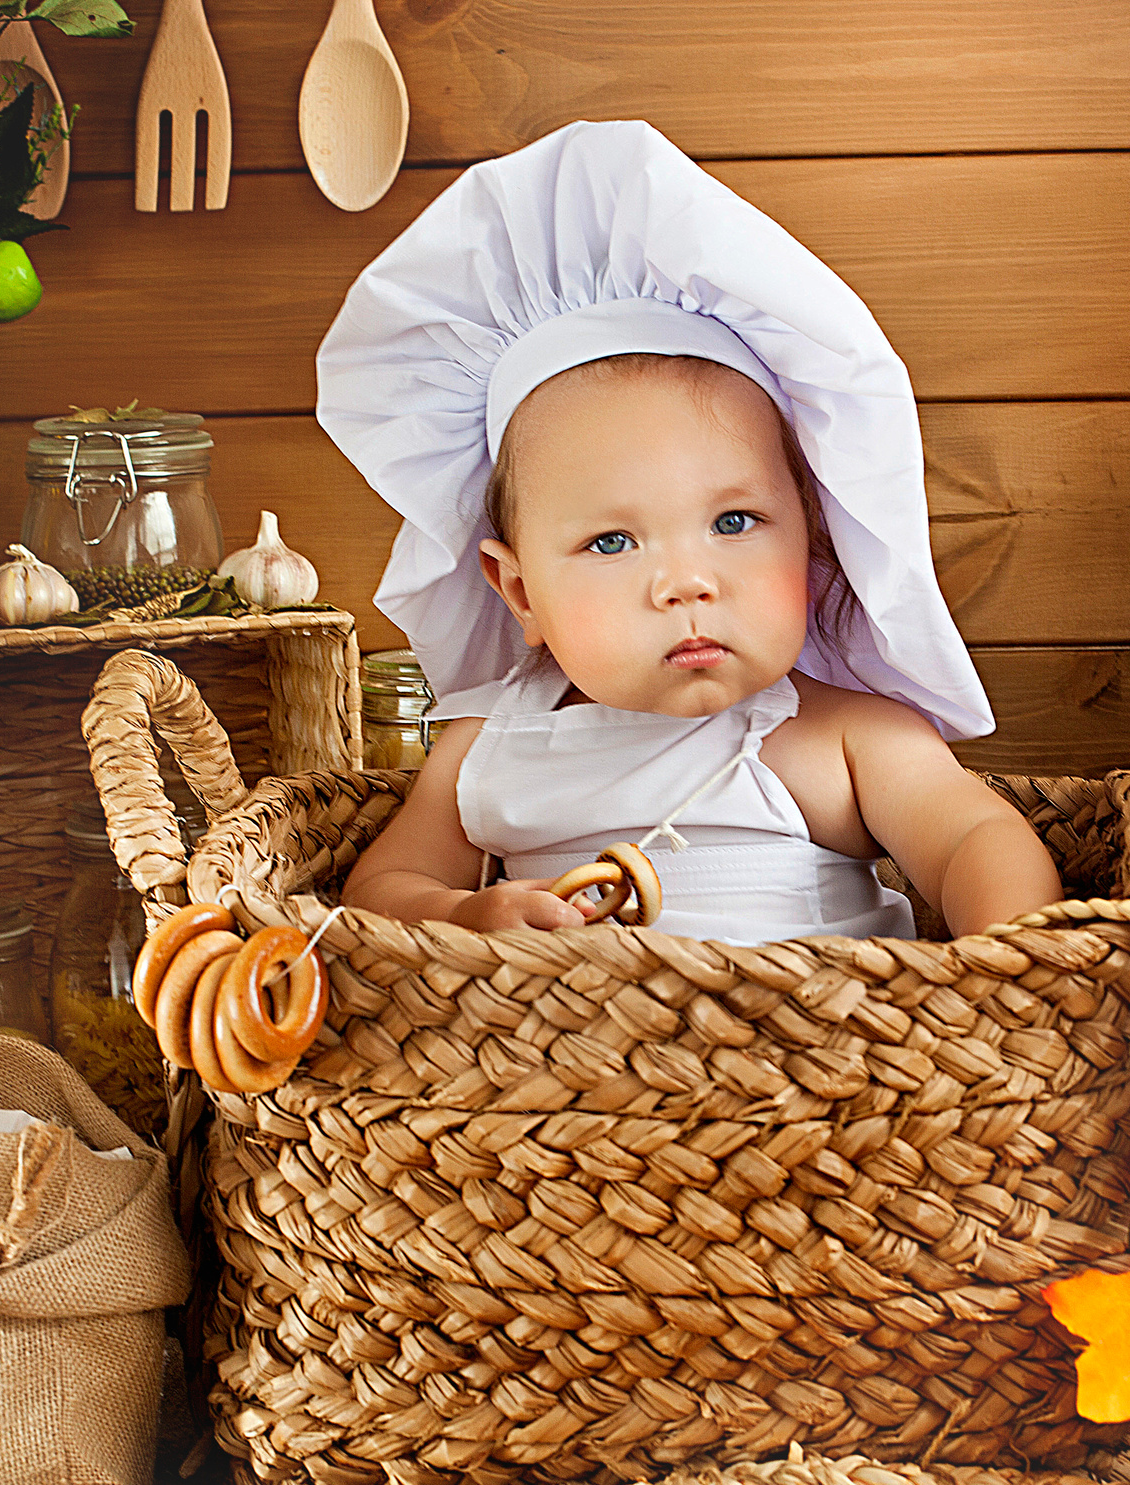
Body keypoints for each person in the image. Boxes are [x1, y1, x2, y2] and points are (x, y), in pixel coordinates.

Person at [316, 121, 1063, 944]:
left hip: (827, 1057)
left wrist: (1002, 963)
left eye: (734, 522)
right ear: (521, 592)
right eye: (611, 542)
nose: (686, 583)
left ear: (812, 549)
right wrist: (462, 911)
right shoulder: (488, 745)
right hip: (554, 1058)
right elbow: (380, 889)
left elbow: (976, 839)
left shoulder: (840, 737)